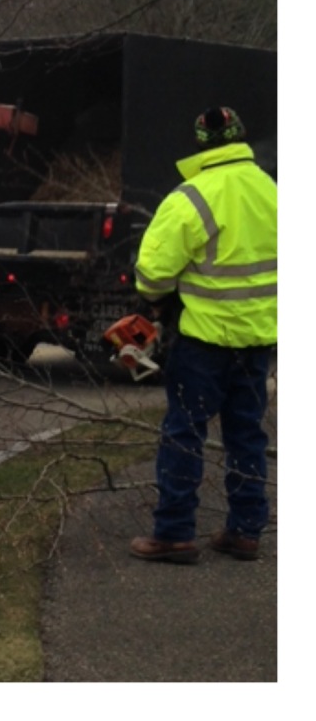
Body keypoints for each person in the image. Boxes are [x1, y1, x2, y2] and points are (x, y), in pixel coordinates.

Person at [128, 106, 277, 564]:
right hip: (259, 341)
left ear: (200, 144)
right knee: (247, 435)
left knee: (183, 433)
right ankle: (246, 531)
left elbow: (152, 275)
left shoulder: (190, 198)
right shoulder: (273, 192)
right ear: (240, 138)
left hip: (204, 343)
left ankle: (174, 534)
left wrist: (158, 300)